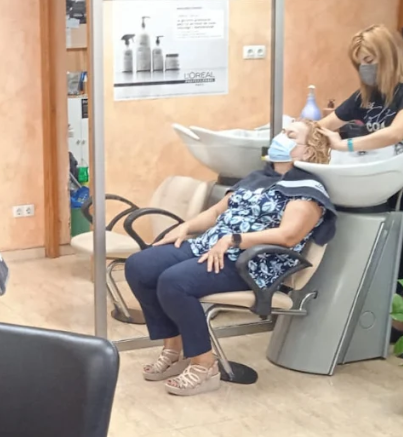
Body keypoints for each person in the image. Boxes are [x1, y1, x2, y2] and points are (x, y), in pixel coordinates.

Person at [125, 121, 336, 396]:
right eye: (283, 132)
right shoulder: (257, 177)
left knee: (175, 282)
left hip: (251, 261)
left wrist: (235, 239)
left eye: (290, 135)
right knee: (140, 266)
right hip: (211, 246)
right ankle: (174, 350)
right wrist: (186, 227)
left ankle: (204, 365)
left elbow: (288, 236)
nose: (281, 137)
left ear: (307, 152)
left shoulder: (307, 190)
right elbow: (215, 213)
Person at [317, 25, 403, 315]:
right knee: (398, 258)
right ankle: (397, 327)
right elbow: (326, 124)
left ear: (389, 56)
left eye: (370, 60)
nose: (365, 68)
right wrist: (299, 131)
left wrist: (346, 146)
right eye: (360, 62)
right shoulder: (367, 96)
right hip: (388, 184)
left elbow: (396, 133)